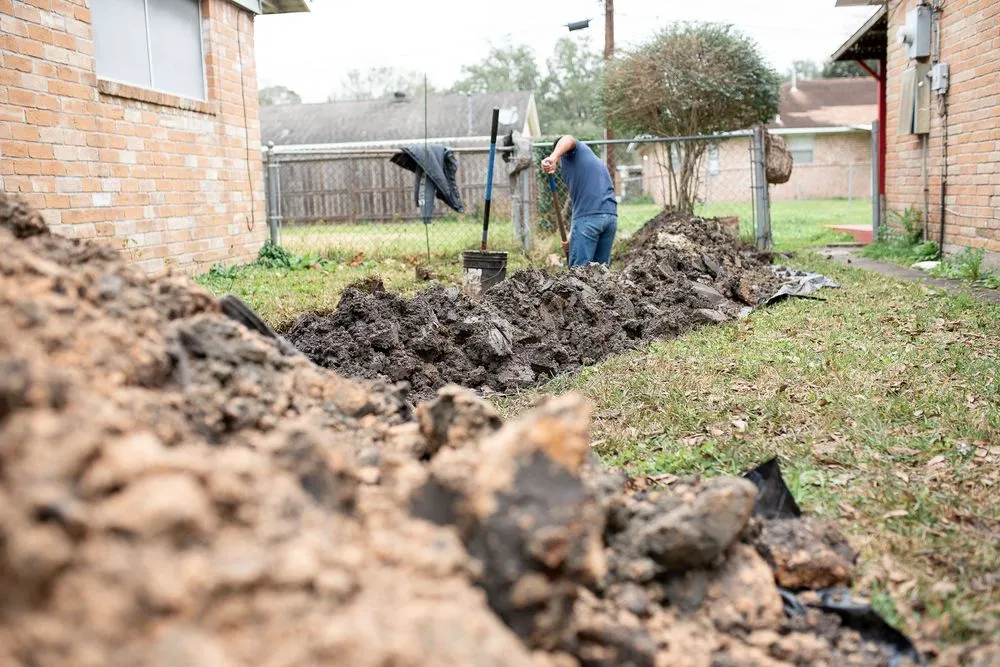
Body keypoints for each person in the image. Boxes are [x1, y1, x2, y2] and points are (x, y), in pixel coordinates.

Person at [541, 136, 618, 267]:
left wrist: (552, 157)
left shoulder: (575, 152)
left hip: (589, 220)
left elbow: (568, 139)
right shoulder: (589, 161)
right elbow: (581, 201)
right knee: (601, 274)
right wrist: (572, 235)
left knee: (578, 275)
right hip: (610, 217)